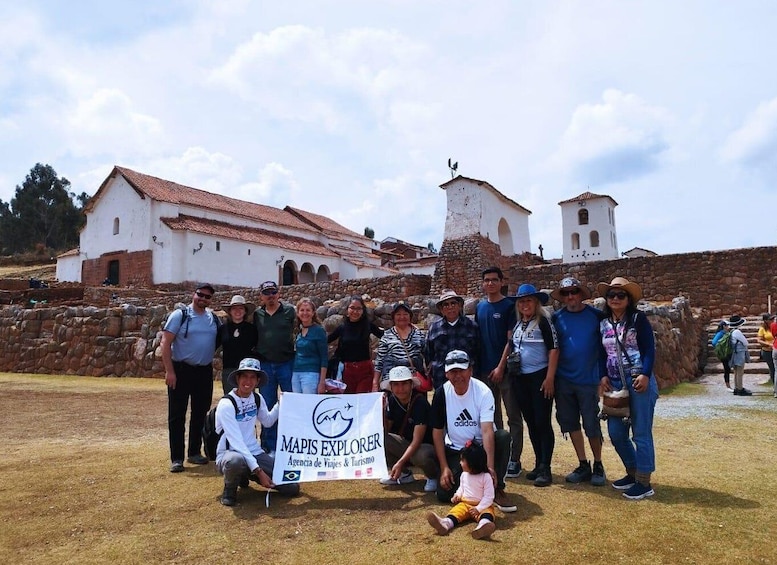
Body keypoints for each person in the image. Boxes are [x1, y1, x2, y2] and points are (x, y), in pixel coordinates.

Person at [430, 350, 517, 513]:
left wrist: (490, 467)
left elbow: (487, 431)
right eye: (453, 372)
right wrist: (444, 468)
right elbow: (437, 432)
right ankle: (476, 488)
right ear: (446, 374)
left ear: (470, 370)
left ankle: (496, 487)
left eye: (461, 370)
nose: (458, 376)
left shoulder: (483, 391)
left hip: (481, 449)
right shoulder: (441, 393)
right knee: (444, 494)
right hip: (458, 451)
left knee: (503, 436)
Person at [597, 276, 658, 500]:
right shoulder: (603, 323)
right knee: (616, 432)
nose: (615, 298)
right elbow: (601, 353)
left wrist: (645, 374)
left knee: (641, 432)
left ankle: (644, 481)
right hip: (614, 384)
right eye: (611, 295)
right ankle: (632, 472)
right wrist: (601, 375)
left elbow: (649, 349)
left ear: (628, 298)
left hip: (638, 380)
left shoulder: (637, 319)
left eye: (620, 295)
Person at [215, 358, 300, 506]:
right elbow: (237, 442)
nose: (248, 381)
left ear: (258, 380)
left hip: (254, 452)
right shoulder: (226, 404)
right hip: (231, 452)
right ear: (237, 378)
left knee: (292, 488)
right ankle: (230, 488)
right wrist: (259, 471)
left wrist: (281, 403)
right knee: (236, 461)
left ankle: (246, 473)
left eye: (252, 377)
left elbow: (267, 421)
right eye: (244, 376)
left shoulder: (257, 398)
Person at [496, 283, 558, 487]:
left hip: (539, 378)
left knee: (542, 422)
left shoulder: (544, 322)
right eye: (521, 301)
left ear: (536, 302)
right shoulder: (518, 324)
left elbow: (554, 350)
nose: (525, 304)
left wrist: (549, 378)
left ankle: (546, 468)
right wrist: (501, 366)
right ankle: (539, 464)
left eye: (528, 300)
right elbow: (511, 344)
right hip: (520, 379)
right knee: (531, 422)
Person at [550, 277, 607, 486]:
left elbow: (605, 348)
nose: (570, 296)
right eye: (566, 293)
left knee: (591, 424)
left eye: (574, 292)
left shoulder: (597, 316)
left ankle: (598, 463)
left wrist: (603, 376)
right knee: (570, 423)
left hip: (588, 380)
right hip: (564, 380)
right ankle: (583, 464)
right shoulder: (556, 318)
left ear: (581, 294)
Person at [161, 283, 220, 473]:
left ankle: (194, 452)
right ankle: (177, 458)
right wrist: (170, 371)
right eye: (200, 295)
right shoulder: (180, 315)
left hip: (203, 371)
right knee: (177, 415)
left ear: (211, 300)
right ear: (193, 294)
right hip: (181, 369)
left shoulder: (213, 318)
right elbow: (165, 342)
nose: (203, 298)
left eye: (207, 297)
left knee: (200, 414)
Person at [475, 267, 523, 479]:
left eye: (494, 280)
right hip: (485, 370)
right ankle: (497, 457)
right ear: (483, 283)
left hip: (505, 371)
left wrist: (501, 366)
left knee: (513, 415)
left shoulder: (509, 306)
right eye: (487, 280)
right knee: (492, 418)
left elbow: (510, 339)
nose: (490, 283)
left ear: (501, 281)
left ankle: (515, 459)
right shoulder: (480, 307)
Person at [380, 366, 439, 492]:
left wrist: (400, 462)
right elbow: (386, 430)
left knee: (421, 455)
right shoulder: (392, 400)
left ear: (411, 384)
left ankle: (433, 476)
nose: (400, 389)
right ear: (391, 386)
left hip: (424, 446)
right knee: (380, 439)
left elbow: (417, 440)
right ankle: (404, 474)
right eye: (396, 385)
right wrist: (382, 412)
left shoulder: (420, 403)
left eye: (404, 384)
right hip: (405, 443)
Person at [254, 280, 296, 453]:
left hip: (286, 363)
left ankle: (292, 442)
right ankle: (269, 446)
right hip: (265, 366)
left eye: (273, 292)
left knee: (291, 403)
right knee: (268, 406)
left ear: (279, 294)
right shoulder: (257, 314)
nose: (270, 296)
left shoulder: (289, 311)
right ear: (261, 296)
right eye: (266, 293)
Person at [426, 441, 497, 540]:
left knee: (487, 514)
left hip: (482, 505)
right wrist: (457, 495)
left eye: (462, 461)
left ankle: (483, 527)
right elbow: (462, 488)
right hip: (465, 504)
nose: (460, 463)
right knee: (456, 512)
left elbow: (489, 497)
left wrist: (479, 508)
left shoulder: (486, 477)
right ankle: (445, 524)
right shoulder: (464, 475)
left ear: (473, 463)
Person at [424, 289, 480, 390]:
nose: (450, 307)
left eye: (453, 303)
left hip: (467, 379)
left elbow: (478, 352)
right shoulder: (434, 328)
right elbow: (429, 354)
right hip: (441, 378)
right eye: (446, 304)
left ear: (459, 305)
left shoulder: (471, 326)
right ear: (441, 309)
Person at [328, 295, 384, 394]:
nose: (355, 311)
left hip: (365, 371)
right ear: (347, 310)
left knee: (362, 399)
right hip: (347, 371)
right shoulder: (342, 327)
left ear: (363, 311)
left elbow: (384, 336)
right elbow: (326, 340)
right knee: (349, 401)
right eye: (352, 308)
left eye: (358, 309)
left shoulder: (368, 325)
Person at [373, 301, 426, 390]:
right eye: (398, 314)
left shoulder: (419, 334)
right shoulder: (387, 336)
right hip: (392, 383)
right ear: (393, 317)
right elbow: (379, 361)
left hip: (414, 382)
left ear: (410, 316)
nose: (402, 317)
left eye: (405, 314)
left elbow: (426, 356)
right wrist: (375, 383)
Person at [219, 295, 258, 394]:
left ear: (245, 311)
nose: (237, 311)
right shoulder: (223, 329)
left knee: (247, 400)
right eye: (234, 308)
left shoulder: (252, 329)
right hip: (229, 370)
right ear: (230, 311)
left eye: (240, 308)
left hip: (247, 370)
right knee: (231, 400)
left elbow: (256, 347)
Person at [292, 298, 327, 394]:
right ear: (298, 313)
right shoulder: (298, 331)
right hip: (296, 372)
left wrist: (322, 381)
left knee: (308, 404)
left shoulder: (319, 331)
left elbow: (324, 357)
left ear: (313, 313)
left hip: (311, 373)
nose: (305, 313)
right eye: (302, 310)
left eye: (308, 310)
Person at [728, 315, 752, 396]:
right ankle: (740, 389)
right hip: (739, 354)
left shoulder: (731, 332)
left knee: (736, 372)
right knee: (739, 372)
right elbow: (745, 342)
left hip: (734, 354)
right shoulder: (737, 332)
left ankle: (736, 387)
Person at [711, 320, 732, 390]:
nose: (728, 327)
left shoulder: (725, 333)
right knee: (727, 369)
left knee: (728, 369)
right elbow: (714, 342)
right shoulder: (720, 334)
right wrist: (721, 348)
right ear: (724, 326)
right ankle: (727, 385)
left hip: (727, 353)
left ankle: (728, 384)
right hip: (724, 354)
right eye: (727, 325)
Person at [756, 313, 775, 386]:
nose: (772, 320)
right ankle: (774, 386)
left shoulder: (774, 326)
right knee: (772, 368)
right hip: (767, 351)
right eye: (771, 319)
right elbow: (759, 340)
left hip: (775, 350)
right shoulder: (762, 329)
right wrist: (769, 344)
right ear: (766, 321)